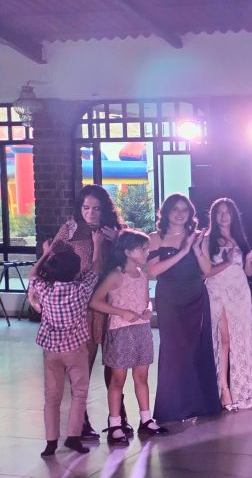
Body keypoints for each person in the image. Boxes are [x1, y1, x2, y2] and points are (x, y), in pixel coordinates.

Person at [52, 185, 122, 439]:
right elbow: (51, 260)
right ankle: (80, 420)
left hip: (112, 303)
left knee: (116, 364)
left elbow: (130, 263)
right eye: (86, 208)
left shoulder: (114, 231)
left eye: (96, 208)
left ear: (105, 210)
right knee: (83, 364)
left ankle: (118, 417)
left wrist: (117, 241)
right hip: (82, 306)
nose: (90, 213)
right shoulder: (70, 230)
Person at [90, 230, 168, 445]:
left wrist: (148, 309)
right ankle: (115, 424)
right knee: (118, 379)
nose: (147, 252)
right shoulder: (116, 275)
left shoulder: (142, 274)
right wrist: (121, 312)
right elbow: (95, 301)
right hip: (120, 331)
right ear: (127, 251)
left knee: (141, 377)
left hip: (141, 330)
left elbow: (146, 299)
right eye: (143, 249)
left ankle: (146, 419)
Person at [147, 194, 221, 421]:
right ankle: (172, 407)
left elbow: (206, 271)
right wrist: (183, 251)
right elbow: (154, 271)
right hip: (169, 298)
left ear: (190, 214)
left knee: (195, 350)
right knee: (173, 350)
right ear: (166, 212)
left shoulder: (198, 236)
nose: (180, 214)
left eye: (184, 210)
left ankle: (198, 405)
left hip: (195, 296)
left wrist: (196, 249)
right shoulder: (155, 237)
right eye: (175, 209)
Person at [28, 240, 100, 456]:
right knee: (79, 393)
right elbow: (95, 268)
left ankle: (51, 442)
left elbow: (33, 274)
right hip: (76, 349)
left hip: (51, 351)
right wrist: (96, 244)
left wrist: (45, 253)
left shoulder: (45, 289)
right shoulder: (81, 290)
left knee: (52, 397)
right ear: (76, 270)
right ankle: (73, 437)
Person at [202, 198, 252, 411]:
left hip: (240, 293)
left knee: (241, 340)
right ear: (213, 216)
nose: (224, 216)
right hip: (218, 292)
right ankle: (223, 389)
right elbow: (205, 272)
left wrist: (250, 261)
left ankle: (242, 391)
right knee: (224, 340)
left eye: (227, 212)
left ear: (233, 215)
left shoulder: (239, 238)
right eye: (219, 212)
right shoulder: (207, 239)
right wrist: (226, 261)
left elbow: (248, 273)